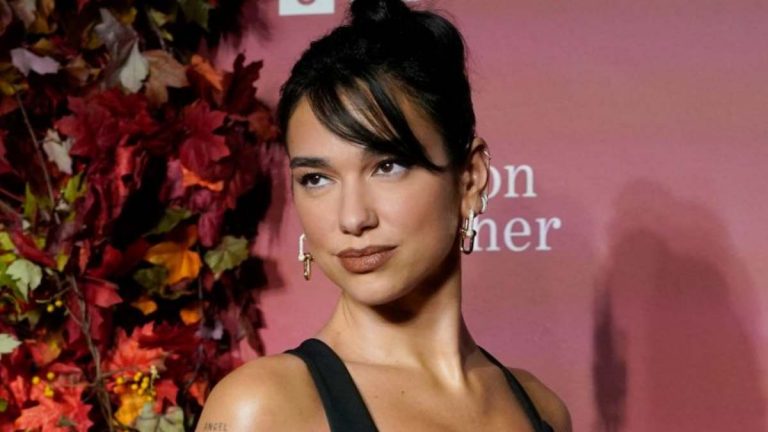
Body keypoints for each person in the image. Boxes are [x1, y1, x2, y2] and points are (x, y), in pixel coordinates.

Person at [197, 0, 571, 430]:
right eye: (316, 179)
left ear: (469, 179)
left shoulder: (542, 410)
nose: (352, 218)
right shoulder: (261, 409)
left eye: (388, 166)